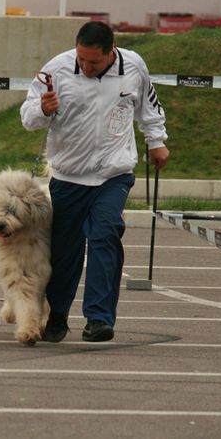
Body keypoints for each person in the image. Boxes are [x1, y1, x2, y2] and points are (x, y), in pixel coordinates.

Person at [20, 21, 169, 342]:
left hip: (113, 176)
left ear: (111, 53)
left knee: (105, 235)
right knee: (64, 250)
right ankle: (57, 314)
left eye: (95, 62)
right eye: (82, 60)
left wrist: (156, 141)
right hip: (68, 177)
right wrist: (42, 109)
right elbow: (27, 115)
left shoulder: (134, 66)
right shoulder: (56, 70)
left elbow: (149, 107)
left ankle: (99, 318)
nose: (86, 67)